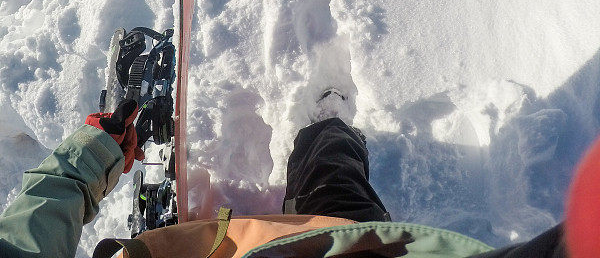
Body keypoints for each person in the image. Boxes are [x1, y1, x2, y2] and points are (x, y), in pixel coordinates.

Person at [0, 90, 583, 258]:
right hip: (335, 248)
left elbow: (27, 237)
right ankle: (324, 128)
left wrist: (94, 156)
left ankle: (323, 134)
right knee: (333, 181)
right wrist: (90, 157)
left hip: (202, 251)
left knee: (331, 185)